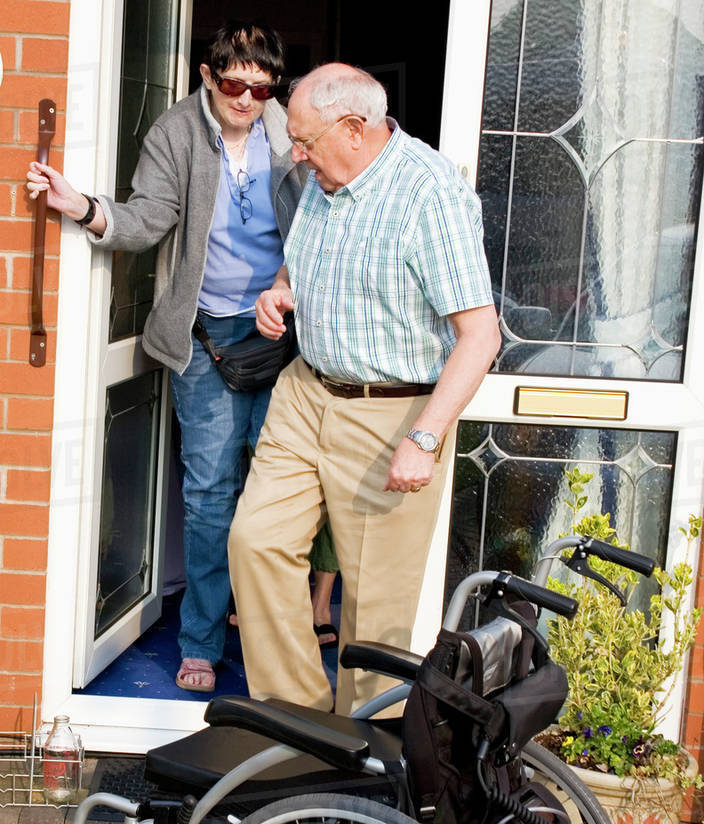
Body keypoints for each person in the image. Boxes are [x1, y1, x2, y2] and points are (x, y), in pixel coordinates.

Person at [26, 22, 337, 689]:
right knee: (210, 495)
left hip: (284, 336)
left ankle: (277, 648)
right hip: (207, 342)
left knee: (282, 496)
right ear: (207, 76)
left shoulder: (289, 132)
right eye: (234, 85)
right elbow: (147, 219)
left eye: (262, 88)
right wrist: (82, 207)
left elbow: (323, 217)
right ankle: (200, 640)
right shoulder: (176, 133)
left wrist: (291, 288)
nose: (248, 99)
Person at [229, 63, 501, 716]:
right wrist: (279, 292)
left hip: (392, 412)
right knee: (255, 542)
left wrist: (425, 438)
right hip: (305, 394)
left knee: (376, 612)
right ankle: (297, 720)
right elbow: (302, 261)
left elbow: (481, 336)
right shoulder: (323, 179)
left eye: (304, 140)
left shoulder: (430, 195)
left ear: (354, 129)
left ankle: (362, 750)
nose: (296, 154)